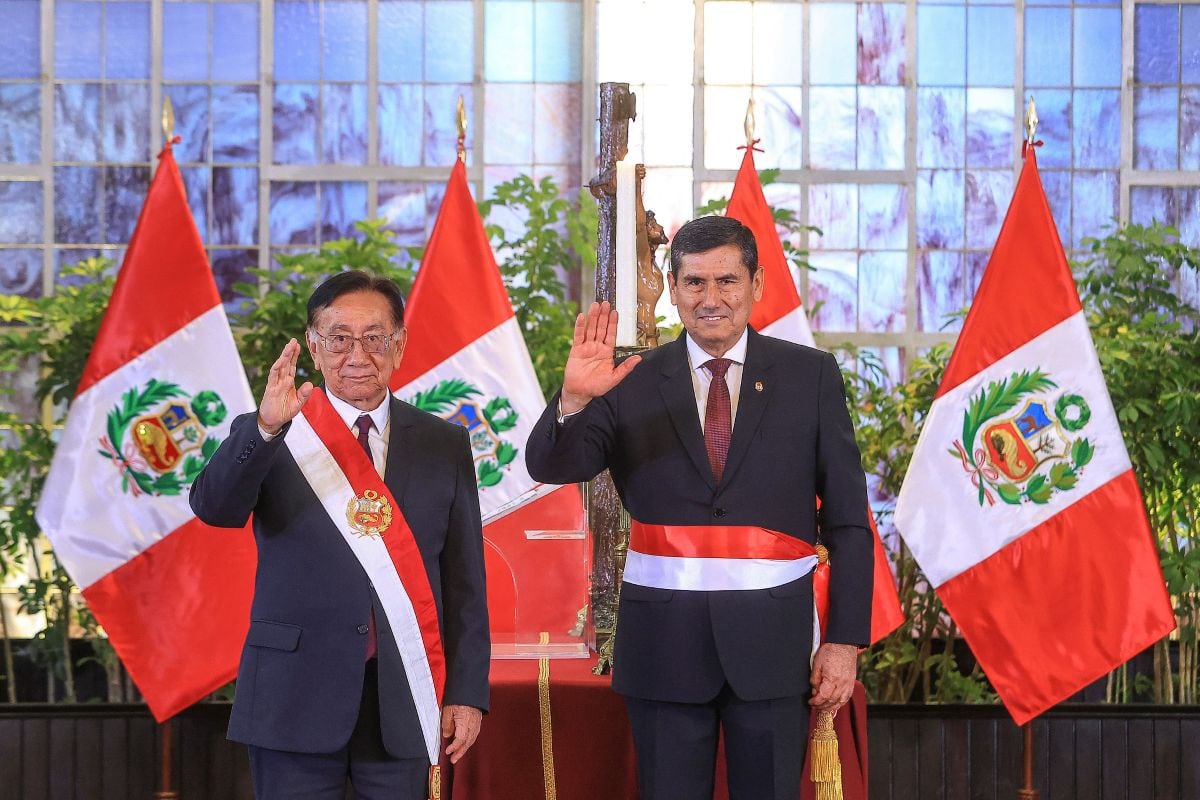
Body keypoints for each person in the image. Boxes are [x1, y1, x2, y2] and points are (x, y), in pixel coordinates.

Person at [526, 216, 873, 800]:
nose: (710, 299)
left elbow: (847, 521)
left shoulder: (809, 375)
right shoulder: (627, 377)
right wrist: (575, 399)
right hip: (663, 647)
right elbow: (554, 467)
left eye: (726, 282)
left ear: (756, 283)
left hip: (774, 650)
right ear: (672, 284)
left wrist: (843, 642)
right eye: (693, 283)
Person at [191, 271, 489, 800]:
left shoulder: (444, 443)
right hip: (294, 694)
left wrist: (466, 693)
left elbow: (464, 580)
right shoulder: (274, 429)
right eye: (339, 338)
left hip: (403, 693)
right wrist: (263, 429)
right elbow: (214, 508)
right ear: (313, 344)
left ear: (399, 345)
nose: (358, 354)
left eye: (374, 338)